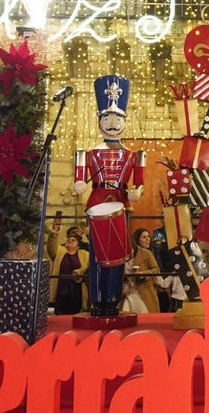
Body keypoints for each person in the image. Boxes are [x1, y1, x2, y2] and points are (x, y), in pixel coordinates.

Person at [72, 75, 146, 317]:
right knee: (96, 255)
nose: (112, 122)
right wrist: (79, 184)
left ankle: (112, 299)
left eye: (117, 118)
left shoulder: (133, 154)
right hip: (97, 203)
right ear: (99, 120)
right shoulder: (88, 153)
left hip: (120, 205)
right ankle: (97, 300)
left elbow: (140, 183)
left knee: (117, 256)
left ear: (125, 121)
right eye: (107, 118)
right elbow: (79, 179)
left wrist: (137, 191)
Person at [46, 227, 89, 315]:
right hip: (61, 292)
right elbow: (51, 246)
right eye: (68, 239)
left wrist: (79, 272)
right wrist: (54, 232)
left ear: (78, 246)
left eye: (73, 240)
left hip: (78, 293)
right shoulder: (59, 251)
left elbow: (88, 266)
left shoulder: (85, 254)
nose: (69, 240)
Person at [123, 228, 161, 313]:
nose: (148, 239)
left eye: (148, 237)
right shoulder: (122, 256)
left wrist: (143, 274)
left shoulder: (146, 253)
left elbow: (156, 270)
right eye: (144, 237)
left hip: (143, 292)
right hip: (128, 292)